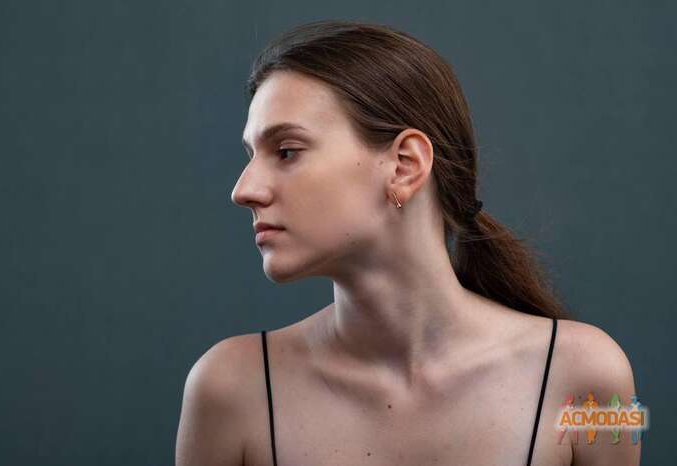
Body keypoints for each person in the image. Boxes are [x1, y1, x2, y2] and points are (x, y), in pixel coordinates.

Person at [175, 20, 639, 466]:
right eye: (251, 155)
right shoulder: (228, 391)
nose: (244, 190)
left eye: (286, 151)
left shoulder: (594, 380)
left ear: (405, 165)